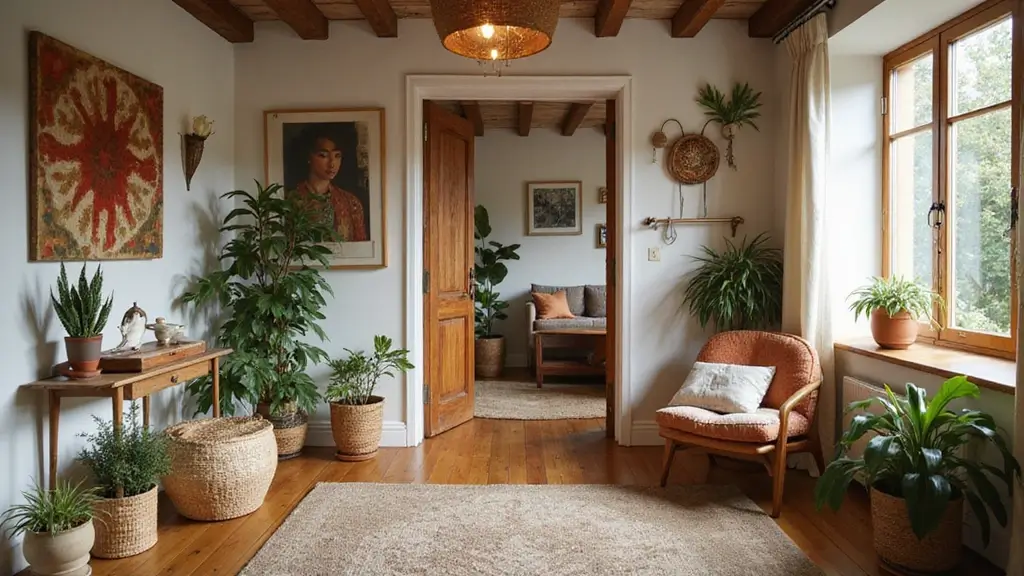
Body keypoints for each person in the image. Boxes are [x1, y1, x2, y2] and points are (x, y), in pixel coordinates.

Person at [292, 128, 368, 242]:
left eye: (337, 156)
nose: (332, 163)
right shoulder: (291, 199)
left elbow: (360, 246)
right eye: (323, 155)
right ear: (308, 156)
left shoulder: (351, 203)